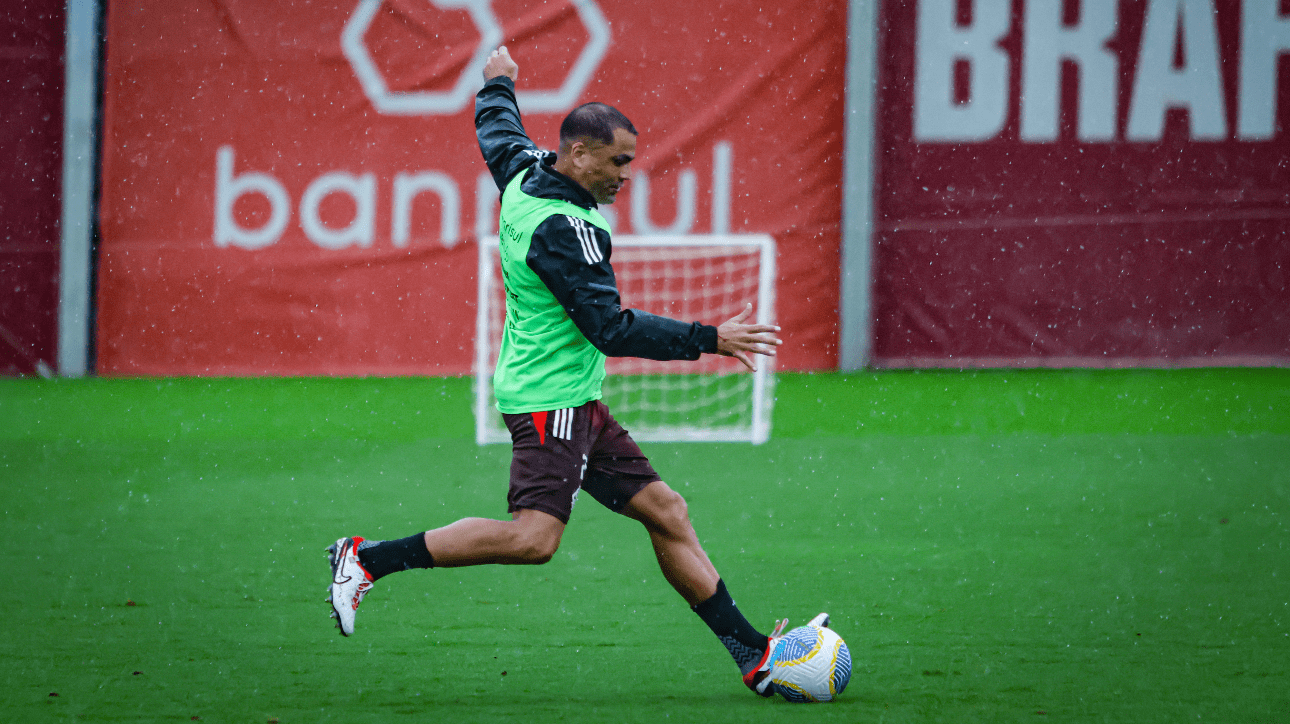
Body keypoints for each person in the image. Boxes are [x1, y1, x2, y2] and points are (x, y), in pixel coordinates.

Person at [327, 46, 815, 696]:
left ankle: (753, 655)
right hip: (547, 400)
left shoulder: (526, 171)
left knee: (667, 511)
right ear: (580, 155)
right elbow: (608, 327)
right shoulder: (565, 230)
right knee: (535, 540)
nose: (625, 176)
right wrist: (710, 338)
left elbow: (496, 130)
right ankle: (366, 560)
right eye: (618, 162)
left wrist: (498, 81)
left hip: (572, 398)